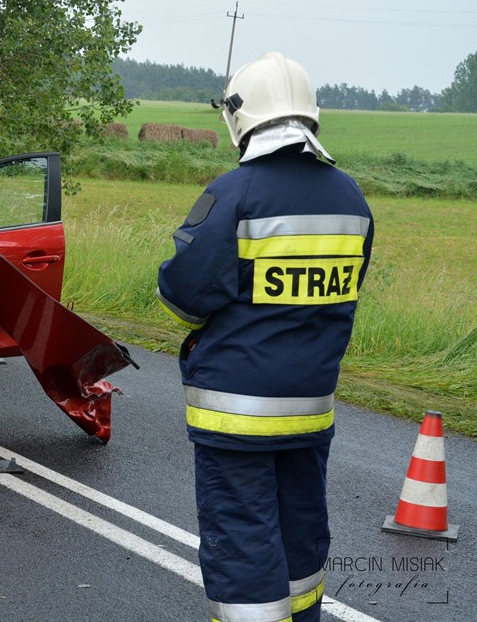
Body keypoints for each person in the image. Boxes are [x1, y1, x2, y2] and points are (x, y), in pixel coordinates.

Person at [156, 52, 374, 622]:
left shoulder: (234, 193)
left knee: (243, 542)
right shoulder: (351, 199)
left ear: (241, 116)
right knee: (302, 539)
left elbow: (184, 295)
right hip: (311, 412)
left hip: (237, 416)